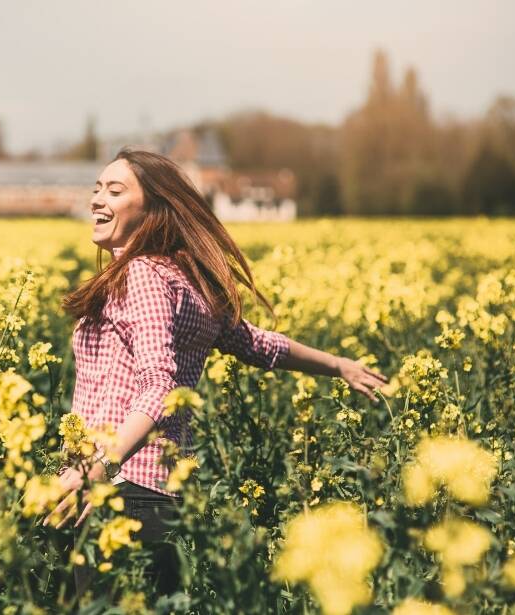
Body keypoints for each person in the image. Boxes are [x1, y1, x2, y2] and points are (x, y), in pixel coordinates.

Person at [39, 147, 389, 603]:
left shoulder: (143, 274)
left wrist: (99, 467)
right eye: (97, 189)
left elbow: (158, 384)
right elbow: (259, 345)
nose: (97, 200)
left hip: (118, 494)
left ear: (153, 208)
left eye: (115, 190)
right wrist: (339, 366)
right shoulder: (187, 279)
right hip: (161, 499)